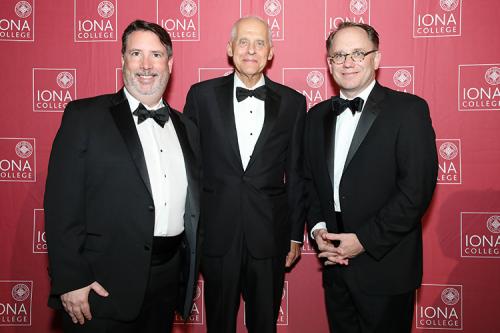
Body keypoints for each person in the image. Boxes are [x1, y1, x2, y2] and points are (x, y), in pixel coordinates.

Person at [44, 19, 199, 333]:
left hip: (166, 284)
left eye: (156, 55)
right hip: (99, 288)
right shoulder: (84, 117)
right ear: (122, 60)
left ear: (169, 62)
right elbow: (61, 205)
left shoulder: (188, 129)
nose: (145, 65)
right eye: (136, 54)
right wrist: (71, 280)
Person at [304, 22, 438, 333]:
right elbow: (309, 183)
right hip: (335, 266)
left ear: (376, 59)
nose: (347, 62)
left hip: (386, 266)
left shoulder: (409, 110)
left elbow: (415, 191)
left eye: (357, 53)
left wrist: (363, 241)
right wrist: (320, 230)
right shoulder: (316, 117)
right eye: (339, 55)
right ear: (329, 64)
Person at [183, 16, 306, 333]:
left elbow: (295, 174)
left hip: (269, 236)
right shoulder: (201, 96)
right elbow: (188, 169)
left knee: (264, 325)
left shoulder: (293, 102)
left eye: (260, 43)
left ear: (270, 52)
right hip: (217, 234)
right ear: (230, 48)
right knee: (219, 324)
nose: (251, 50)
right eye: (243, 41)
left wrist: (294, 234)